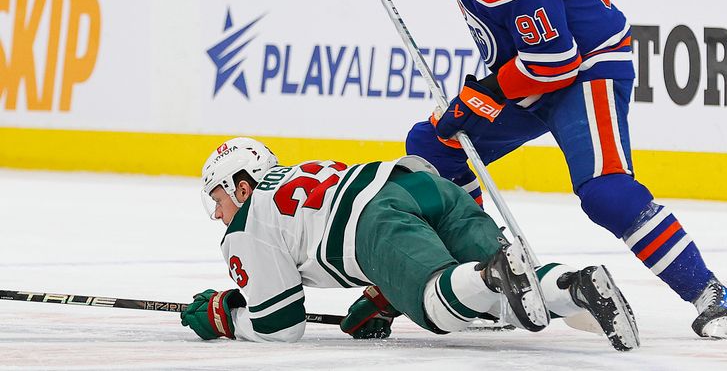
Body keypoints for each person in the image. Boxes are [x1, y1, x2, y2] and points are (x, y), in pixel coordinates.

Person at [326, 0, 727, 339]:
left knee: (606, 193)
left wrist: (479, 96)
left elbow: (555, 64)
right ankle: (483, 277)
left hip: (585, 68)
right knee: (435, 148)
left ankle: (714, 297)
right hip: (530, 66)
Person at [180, 137, 639, 351]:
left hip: (375, 221)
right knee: (501, 303)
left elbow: (280, 324)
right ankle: (576, 286)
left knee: (440, 305)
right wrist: (384, 295)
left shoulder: (247, 222)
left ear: (241, 186)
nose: (218, 213)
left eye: (218, 198)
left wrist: (224, 317)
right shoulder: (295, 177)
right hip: (421, 185)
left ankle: (490, 273)